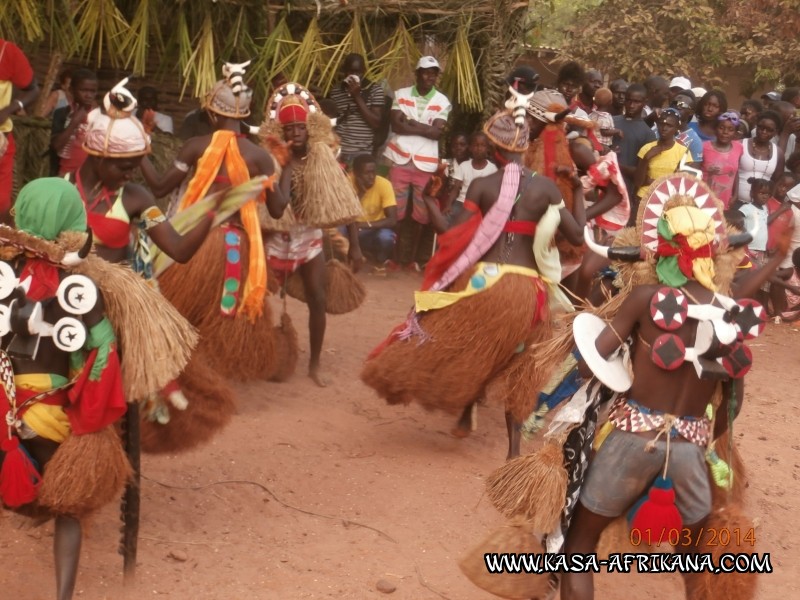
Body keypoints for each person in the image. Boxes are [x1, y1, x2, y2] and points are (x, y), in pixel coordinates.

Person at [559, 173, 788, 600]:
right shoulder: (729, 312)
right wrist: (776, 259)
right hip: (689, 452)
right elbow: (731, 401)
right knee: (695, 558)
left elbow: (594, 360)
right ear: (714, 254)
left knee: (579, 546)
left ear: (660, 249)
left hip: (632, 440)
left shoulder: (645, 298)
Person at [0, 177, 195, 600]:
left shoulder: (4, 278)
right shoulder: (87, 290)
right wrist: (93, 422)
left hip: (3, 415)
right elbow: (102, 358)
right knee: (70, 509)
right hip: (57, 425)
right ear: (74, 224)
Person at [361, 104, 586, 457]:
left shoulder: (482, 185)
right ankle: (513, 450)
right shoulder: (545, 188)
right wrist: (580, 191)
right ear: (525, 148)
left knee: (471, 346)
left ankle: (465, 406)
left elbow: (452, 234)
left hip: (483, 282)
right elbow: (576, 234)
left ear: (495, 151)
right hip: (526, 291)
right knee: (521, 365)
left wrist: (431, 200)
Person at [140, 62, 288, 382]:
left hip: (194, 240)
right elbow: (277, 209)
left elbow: (159, 187)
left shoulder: (196, 146)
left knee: (181, 305)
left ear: (210, 113)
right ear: (245, 117)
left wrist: (140, 149)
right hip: (236, 246)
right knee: (225, 311)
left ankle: (177, 373)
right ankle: (216, 375)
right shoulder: (260, 157)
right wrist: (284, 167)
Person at [261, 83, 364, 387]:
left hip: (308, 238)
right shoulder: (270, 160)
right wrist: (287, 162)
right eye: (289, 128)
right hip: (275, 238)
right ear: (281, 131)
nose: (295, 133)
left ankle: (314, 365)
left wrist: (355, 247)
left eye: (300, 127)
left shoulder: (324, 157)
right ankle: (260, 355)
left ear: (309, 128)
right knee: (257, 299)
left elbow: (344, 203)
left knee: (318, 298)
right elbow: (274, 208)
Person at [383, 56, 451, 270]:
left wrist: (410, 122)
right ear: (417, 73)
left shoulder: (442, 101)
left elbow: (436, 133)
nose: (430, 76)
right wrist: (424, 128)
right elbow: (397, 126)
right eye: (426, 71)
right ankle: (393, 258)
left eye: (434, 72)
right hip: (399, 158)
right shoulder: (401, 94)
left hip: (425, 163)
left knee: (421, 214)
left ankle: (411, 260)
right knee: (396, 211)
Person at [0, 39, 39, 220]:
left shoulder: (7, 52)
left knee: (1, 205)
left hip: (1, 140)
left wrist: (8, 110)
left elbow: (32, 89)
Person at [329, 53, 384, 166]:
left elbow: (376, 123)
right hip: (338, 153)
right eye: (350, 72)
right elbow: (332, 122)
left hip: (361, 154)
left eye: (358, 72)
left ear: (364, 71)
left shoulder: (374, 90)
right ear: (344, 71)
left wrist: (357, 96)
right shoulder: (336, 91)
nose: (354, 75)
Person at [612, 83, 656, 213]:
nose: (631, 105)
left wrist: (614, 164)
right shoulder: (612, 121)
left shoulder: (648, 134)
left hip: (626, 193)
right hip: (604, 186)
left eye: (636, 102)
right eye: (629, 101)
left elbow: (640, 173)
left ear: (644, 102)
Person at [350, 153, 397, 272]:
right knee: (338, 231)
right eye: (367, 173)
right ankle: (348, 260)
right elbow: (344, 213)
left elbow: (392, 220)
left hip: (373, 229)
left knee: (386, 237)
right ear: (356, 173)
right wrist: (361, 192)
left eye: (373, 172)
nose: (371, 177)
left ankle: (379, 262)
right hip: (351, 229)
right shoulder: (347, 182)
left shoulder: (384, 184)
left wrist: (363, 225)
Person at [634, 108, 692, 200]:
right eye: (661, 124)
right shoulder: (646, 148)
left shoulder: (683, 152)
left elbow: (681, 183)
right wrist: (646, 159)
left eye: (669, 126)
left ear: (676, 128)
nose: (664, 128)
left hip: (668, 200)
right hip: (644, 197)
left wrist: (654, 181)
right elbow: (637, 182)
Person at [50, 68, 98, 176]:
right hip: (66, 174)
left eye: (92, 91)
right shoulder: (63, 113)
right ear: (71, 90)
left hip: (91, 176)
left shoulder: (99, 117)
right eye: (84, 90)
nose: (88, 95)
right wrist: (75, 122)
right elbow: (56, 146)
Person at [447, 131, 498, 219]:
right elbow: (455, 189)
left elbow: (493, 194)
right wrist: (448, 205)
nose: (479, 148)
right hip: (461, 203)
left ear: (488, 149)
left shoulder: (492, 169)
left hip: (481, 206)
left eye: (483, 145)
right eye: (476, 145)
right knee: (448, 221)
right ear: (470, 148)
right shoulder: (464, 166)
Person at [736, 110, 784, 204]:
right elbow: (731, 173)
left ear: (775, 132)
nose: (764, 132)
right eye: (761, 127)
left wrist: (768, 203)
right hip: (735, 201)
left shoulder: (778, 153)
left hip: (760, 207)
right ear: (756, 126)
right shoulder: (740, 145)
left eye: (769, 129)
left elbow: (775, 182)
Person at [700, 110, 743, 209]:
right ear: (715, 129)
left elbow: (736, 173)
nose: (725, 132)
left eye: (730, 129)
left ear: (735, 133)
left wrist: (735, 195)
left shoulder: (739, 147)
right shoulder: (704, 147)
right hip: (704, 198)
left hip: (726, 199)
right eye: (721, 128)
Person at [672, 92, 703, 163]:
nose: (675, 107)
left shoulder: (695, 141)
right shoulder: (658, 129)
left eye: (681, 105)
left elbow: (694, 170)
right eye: (673, 103)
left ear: (691, 112)